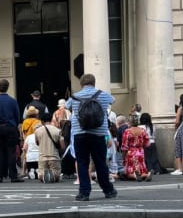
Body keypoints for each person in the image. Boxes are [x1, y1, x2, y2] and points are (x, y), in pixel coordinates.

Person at [65, 73, 117, 202]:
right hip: (99, 134)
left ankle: (84, 193)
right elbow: (113, 100)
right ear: (94, 82)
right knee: (100, 163)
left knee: (82, 163)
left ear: (81, 84)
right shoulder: (103, 95)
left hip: (79, 134)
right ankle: (108, 190)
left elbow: (67, 106)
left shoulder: (74, 97)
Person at [0, 78, 23, 183]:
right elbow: (17, 116)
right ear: (7, 87)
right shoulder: (12, 101)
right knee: (11, 151)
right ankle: (13, 176)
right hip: (10, 127)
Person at [121, 114, 151, 181]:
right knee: (142, 170)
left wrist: (123, 158)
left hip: (131, 153)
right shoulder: (143, 130)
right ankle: (146, 175)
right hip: (140, 152)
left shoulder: (127, 131)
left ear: (130, 122)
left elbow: (124, 147)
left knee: (128, 172)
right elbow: (148, 144)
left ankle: (134, 175)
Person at [34, 111, 62, 182]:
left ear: (42, 121)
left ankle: (43, 176)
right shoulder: (57, 130)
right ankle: (53, 176)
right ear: (51, 120)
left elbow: (37, 143)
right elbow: (62, 146)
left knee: (40, 176)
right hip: (54, 156)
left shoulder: (37, 131)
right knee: (57, 177)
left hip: (42, 157)